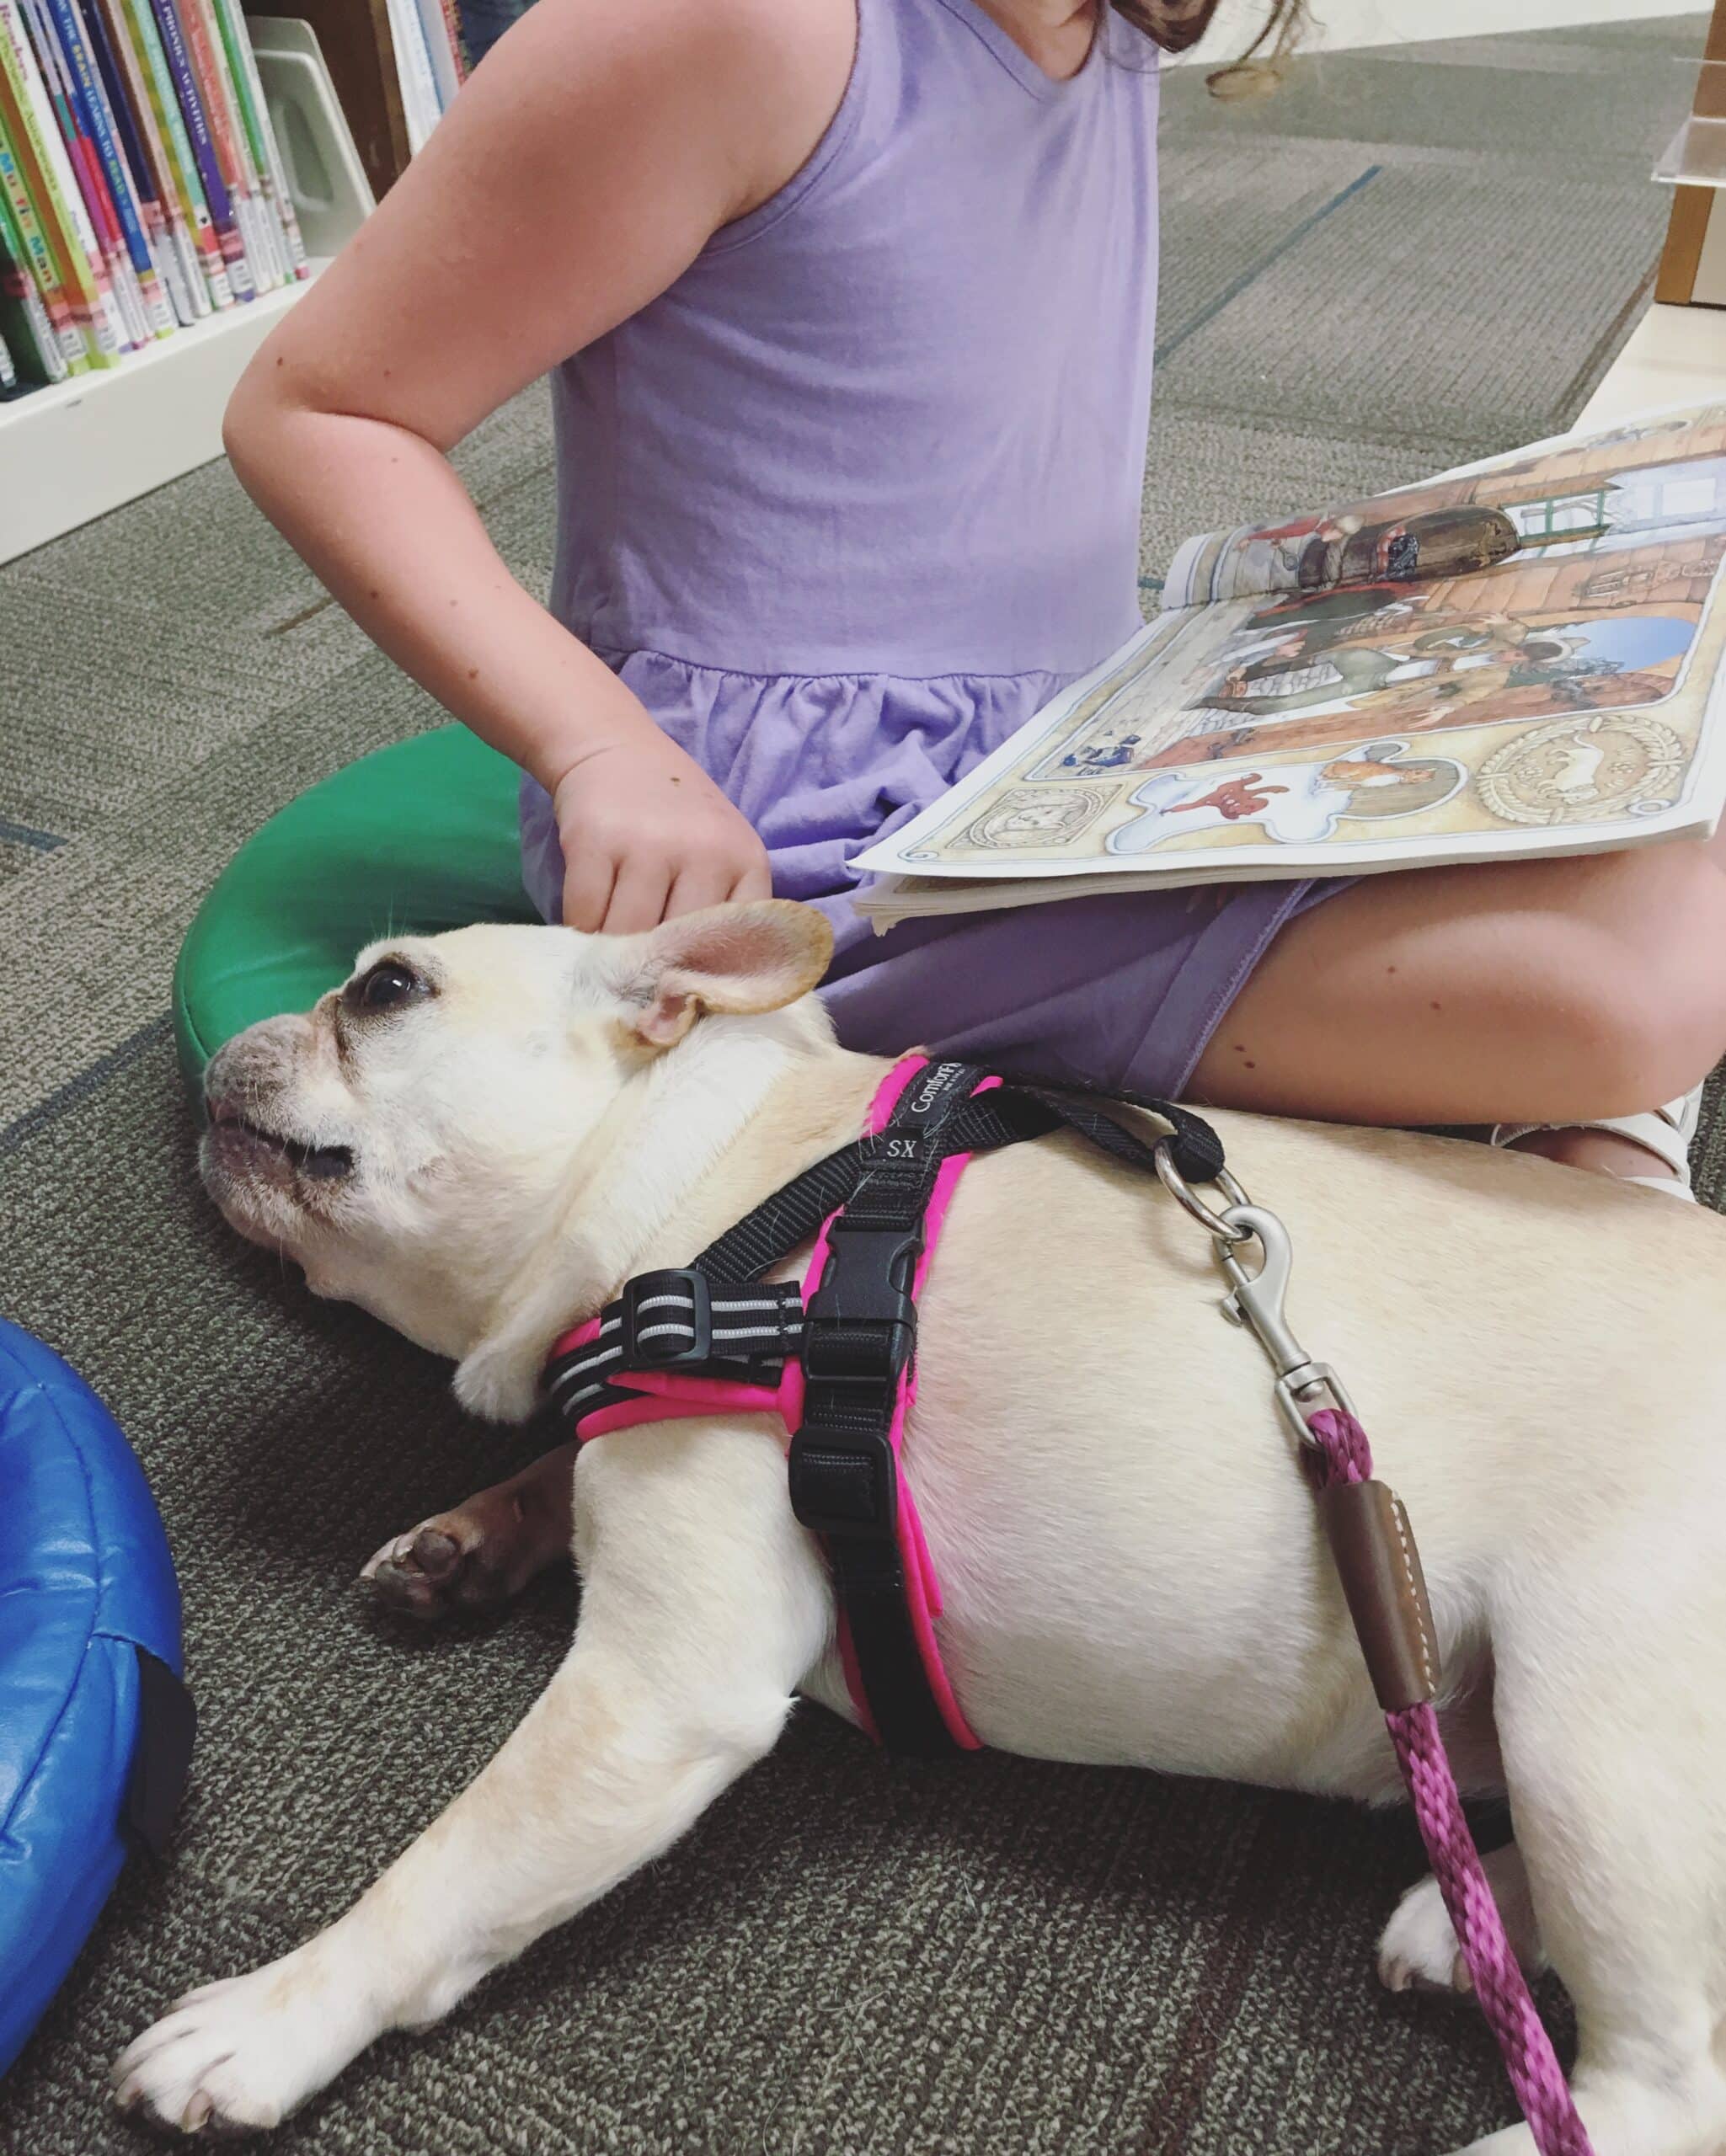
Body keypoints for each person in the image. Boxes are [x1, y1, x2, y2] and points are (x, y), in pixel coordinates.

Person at [219, 0, 1718, 1197]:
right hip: (798, 839)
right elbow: (322, 409)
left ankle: (1563, 1151)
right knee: (1630, 988)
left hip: (1070, 737)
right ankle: (1589, 1168)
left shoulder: (1109, 22)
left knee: (1652, 751)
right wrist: (597, 747)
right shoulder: (721, 25)